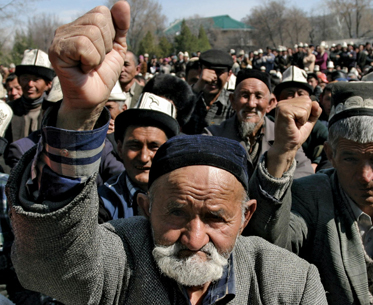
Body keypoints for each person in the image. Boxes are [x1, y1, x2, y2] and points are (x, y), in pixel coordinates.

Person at [9, 4, 328, 304]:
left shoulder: (290, 284)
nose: (194, 238)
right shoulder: (122, 255)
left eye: (216, 217)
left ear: (245, 217)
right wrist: (77, 116)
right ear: (146, 208)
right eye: (176, 212)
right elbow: (52, 264)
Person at [246, 80, 373, 304]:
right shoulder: (309, 199)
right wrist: (282, 151)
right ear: (331, 154)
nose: (366, 176)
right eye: (350, 159)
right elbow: (266, 251)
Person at [204, 69, 314, 178]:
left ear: (271, 104)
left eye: (258, 96)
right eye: (245, 95)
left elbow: (305, 174)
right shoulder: (213, 136)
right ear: (233, 101)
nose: (251, 104)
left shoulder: (285, 136)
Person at [98, 93, 179, 220]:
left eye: (154, 147)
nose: (144, 157)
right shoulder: (104, 200)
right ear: (120, 148)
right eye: (134, 146)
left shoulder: (184, 195)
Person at [6, 49, 54, 145]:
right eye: (25, 78)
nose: (30, 84)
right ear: (19, 81)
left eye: (36, 79)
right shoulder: (8, 111)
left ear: (48, 84)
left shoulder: (54, 112)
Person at [183, 49, 234, 134]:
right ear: (200, 71)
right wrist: (199, 85)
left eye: (219, 72)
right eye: (209, 71)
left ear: (229, 75)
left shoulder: (232, 103)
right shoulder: (189, 97)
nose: (213, 78)